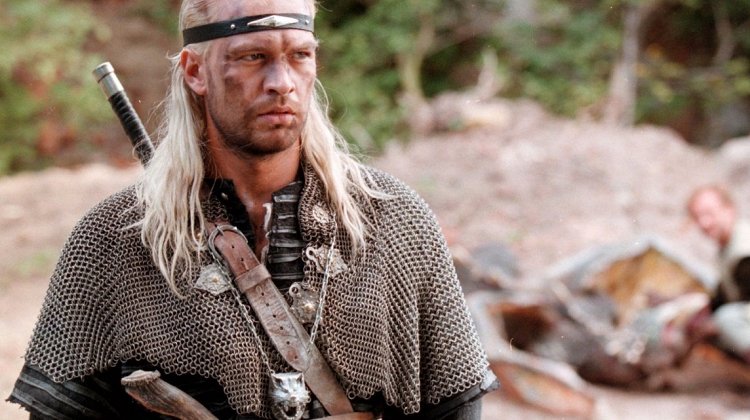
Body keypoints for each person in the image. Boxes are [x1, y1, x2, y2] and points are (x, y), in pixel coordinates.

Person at [7, 0, 497, 419]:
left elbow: (456, 406)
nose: (281, 82)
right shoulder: (113, 239)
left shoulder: (395, 220)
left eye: (299, 55)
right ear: (195, 71)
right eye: (252, 57)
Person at [687, 185, 750, 363]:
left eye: (709, 214)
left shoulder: (744, 248)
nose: (704, 223)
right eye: (697, 217)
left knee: (726, 320)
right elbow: (726, 294)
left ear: (729, 210)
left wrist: (716, 323)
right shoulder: (727, 246)